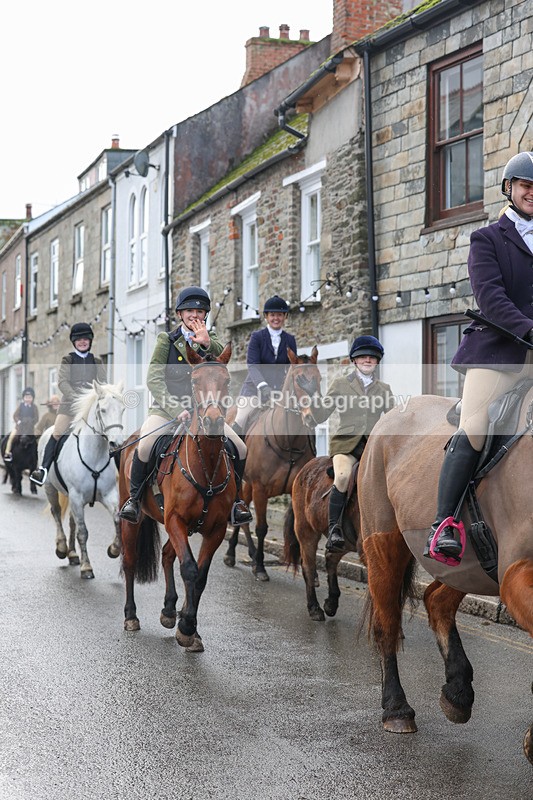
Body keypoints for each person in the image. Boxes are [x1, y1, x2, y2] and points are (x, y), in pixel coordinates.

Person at [425, 151, 533, 564]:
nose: (531, 194)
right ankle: (444, 524)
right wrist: (527, 328)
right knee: (474, 426)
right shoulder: (487, 239)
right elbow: (491, 297)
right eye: (525, 186)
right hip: (499, 352)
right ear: (510, 188)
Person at [119, 286, 253, 525]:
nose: (195, 315)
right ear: (180, 314)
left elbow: (223, 358)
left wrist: (206, 343)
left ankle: (237, 503)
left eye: (200, 312)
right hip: (167, 410)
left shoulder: (213, 342)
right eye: (189, 310)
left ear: (205, 316)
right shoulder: (166, 341)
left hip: (206, 413)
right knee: (146, 444)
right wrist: (174, 409)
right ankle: (134, 500)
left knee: (240, 448)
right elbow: (154, 379)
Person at [312, 335, 394, 552]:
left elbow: (392, 418)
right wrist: (312, 396)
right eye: (363, 357)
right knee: (342, 476)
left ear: (377, 362)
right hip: (346, 446)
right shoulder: (340, 384)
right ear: (355, 361)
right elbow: (321, 415)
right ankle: (334, 529)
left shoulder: (384, 389)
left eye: (372, 358)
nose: (367, 360)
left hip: (372, 447)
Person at [30, 322, 107, 485]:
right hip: (69, 407)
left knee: (107, 431)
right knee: (57, 432)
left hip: (91, 408)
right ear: (74, 342)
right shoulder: (68, 359)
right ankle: (43, 470)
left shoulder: (98, 361)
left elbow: (103, 383)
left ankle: (113, 468)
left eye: (86, 339)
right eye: (79, 340)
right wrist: (77, 397)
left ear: (90, 341)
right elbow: (62, 383)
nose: (82, 342)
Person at [233, 295, 297, 437]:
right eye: (272, 315)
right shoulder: (257, 337)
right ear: (266, 317)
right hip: (254, 391)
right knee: (240, 419)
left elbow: (292, 367)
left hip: (280, 393)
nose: (276, 318)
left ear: (285, 316)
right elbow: (253, 365)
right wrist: (263, 386)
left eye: (279, 315)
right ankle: (232, 454)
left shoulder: (290, 340)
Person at [4, 387, 39, 462]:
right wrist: (19, 421)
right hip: (19, 427)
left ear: (32, 398)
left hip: (30, 428)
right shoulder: (21, 406)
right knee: (11, 437)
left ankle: (37, 455)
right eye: (26, 397)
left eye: (30, 397)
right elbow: (15, 415)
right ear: (23, 398)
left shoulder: (34, 407)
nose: (28, 399)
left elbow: (36, 418)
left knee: (37, 438)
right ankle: (8, 453)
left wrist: (31, 422)